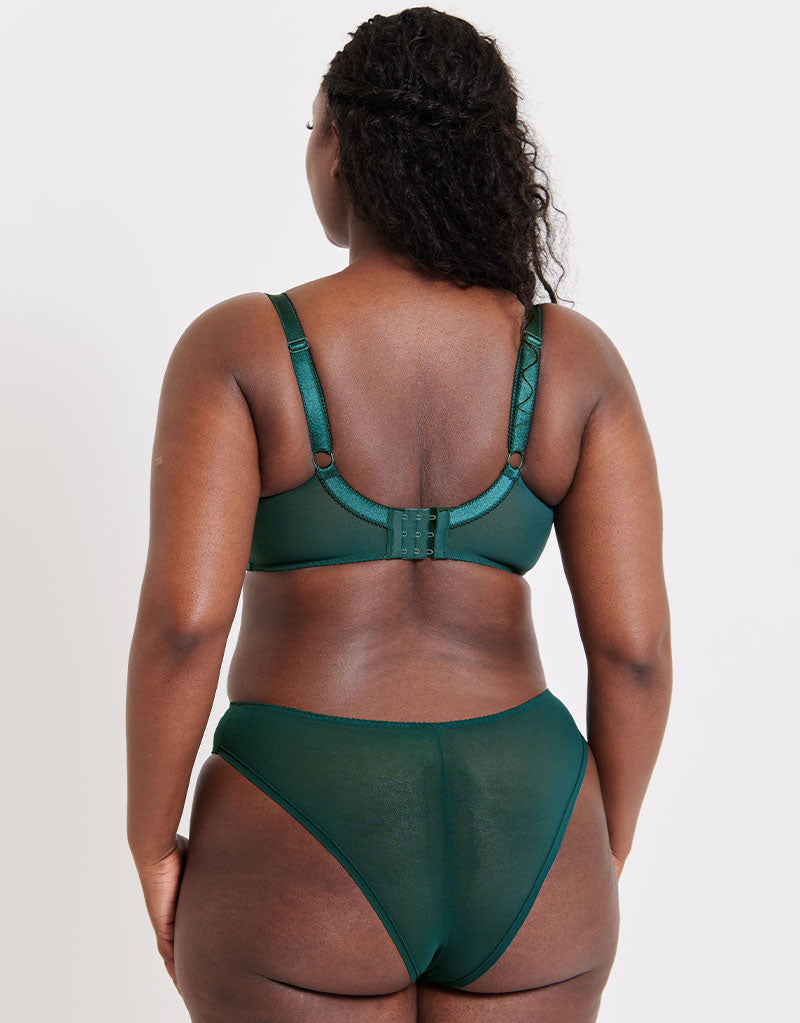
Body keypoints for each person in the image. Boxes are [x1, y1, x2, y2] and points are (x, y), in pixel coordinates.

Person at [126, 7, 672, 1022]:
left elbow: (185, 626)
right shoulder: (572, 362)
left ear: (340, 148)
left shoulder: (242, 348)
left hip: (301, 809)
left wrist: (151, 839)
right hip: (530, 815)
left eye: (311, 131)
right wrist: (600, 840)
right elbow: (634, 654)